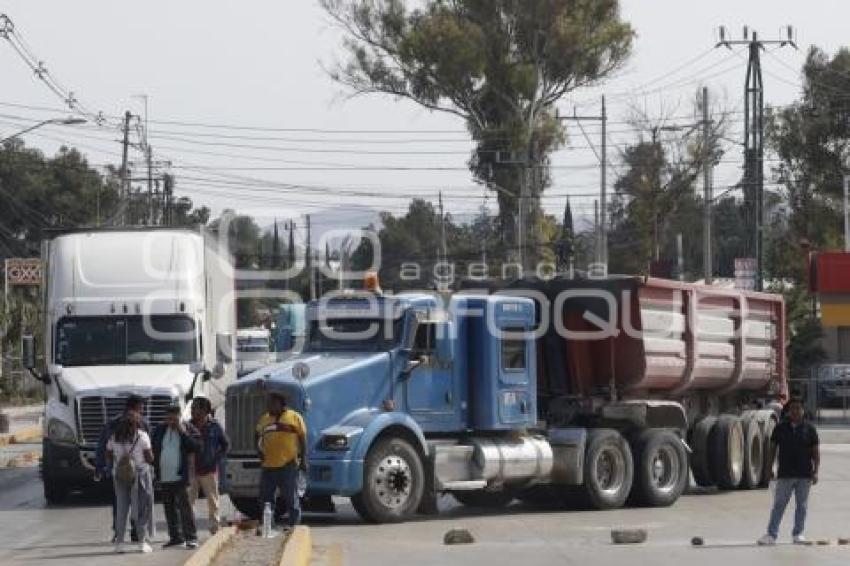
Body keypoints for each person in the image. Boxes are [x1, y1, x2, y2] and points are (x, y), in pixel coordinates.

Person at [758, 398, 820, 546]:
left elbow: (815, 453)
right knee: (779, 505)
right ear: (788, 411)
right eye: (793, 409)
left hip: (804, 476)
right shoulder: (780, 428)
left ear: (803, 411)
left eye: (798, 408)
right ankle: (771, 535)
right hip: (785, 474)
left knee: (802, 506)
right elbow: (772, 450)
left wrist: (816, 471)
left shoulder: (810, 429)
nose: (796, 411)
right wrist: (769, 469)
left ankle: (798, 534)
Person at [95, 395, 149, 543]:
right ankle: (137, 533)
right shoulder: (142, 423)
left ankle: (119, 534)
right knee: (138, 503)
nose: (142, 409)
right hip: (138, 471)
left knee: (119, 503)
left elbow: (103, 447)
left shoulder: (112, 423)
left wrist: (102, 467)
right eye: (141, 406)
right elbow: (148, 450)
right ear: (137, 407)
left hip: (118, 472)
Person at [255, 392, 307, 530]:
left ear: (281, 403)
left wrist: (303, 460)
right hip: (268, 466)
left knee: (291, 497)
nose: (269, 405)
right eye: (268, 403)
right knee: (266, 499)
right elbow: (256, 435)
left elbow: (302, 438)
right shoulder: (264, 419)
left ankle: (294, 525)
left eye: (272, 403)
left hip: (288, 465)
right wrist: (259, 451)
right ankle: (269, 525)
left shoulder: (294, 417)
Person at [106, 411, 155, 554]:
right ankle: (141, 542)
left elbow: (108, 454)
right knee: (141, 508)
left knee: (121, 509)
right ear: (136, 424)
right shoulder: (142, 436)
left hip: (120, 476)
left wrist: (120, 461)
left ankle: (120, 543)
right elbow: (150, 458)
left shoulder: (114, 437)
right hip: (139, 476)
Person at [152, 405, 199, 549]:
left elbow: (196, 446)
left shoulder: (188, 428)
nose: (171, 421)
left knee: (185, 508)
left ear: (180, 417)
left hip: (181, 476)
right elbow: (154, 447)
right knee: (169, 508)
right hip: (164, 476)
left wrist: (182, 432)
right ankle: (175, 537)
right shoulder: (160, 430)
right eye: (168, 418)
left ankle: (191, 538)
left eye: (174, 418)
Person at [188, 397, 230, 534]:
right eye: (192, 408)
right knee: (189, 502)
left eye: (195, 408)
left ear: (204, 410)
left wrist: (216, 459)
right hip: (192, 470)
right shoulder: (188, 426)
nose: (192, 410)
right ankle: (190, 530)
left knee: (213, 501)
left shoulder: (215, 426)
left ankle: (215, 528)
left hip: (209, 470)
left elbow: (225, 445)